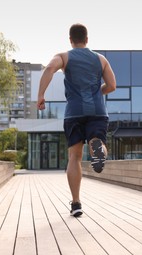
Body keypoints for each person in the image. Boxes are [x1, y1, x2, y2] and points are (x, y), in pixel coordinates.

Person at [37, 23, 116, 217]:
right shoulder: (101, 59)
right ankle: (98, 148)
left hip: (74, 112)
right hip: (97, 110)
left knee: (75, 157)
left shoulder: (64, 56)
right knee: (98, 140)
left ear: (70, 40)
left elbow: (49, 68)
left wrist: (41, 95)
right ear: (87, 39)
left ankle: (76, 203)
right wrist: (98, 91)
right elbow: (112, 85)